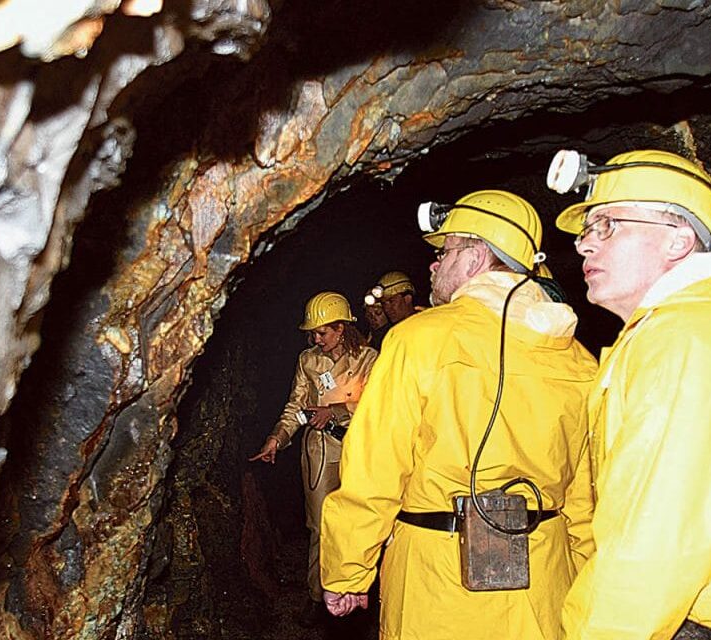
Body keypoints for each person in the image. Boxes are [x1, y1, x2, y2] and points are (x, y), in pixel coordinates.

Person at [547, 149, 711, 640]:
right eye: (587, 230)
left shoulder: (696, 334)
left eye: (608, 225)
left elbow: (655, 539)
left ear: (679, 240)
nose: (584, 245)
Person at [319, 190, 598, 639]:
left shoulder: (419, 339)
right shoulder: (578, 359)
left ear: (476, 259)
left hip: (439, 581)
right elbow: (585, 499)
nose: (433, 264)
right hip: (544, 585)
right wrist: (588, 582)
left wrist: (347, 570)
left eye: (445, 252)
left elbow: (376, 467)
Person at [250, 291, 379, 627]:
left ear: (340, 328)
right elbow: (295, 407)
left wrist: (337, 410)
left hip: (358, 449)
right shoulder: (309, 361)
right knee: (320, 526)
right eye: (313, 333)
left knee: (360, 521)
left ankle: (362, 593)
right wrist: (276, 438)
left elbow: (380, 405)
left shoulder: (369, 358)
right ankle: (317, 596)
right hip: (319, 450)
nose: (315, 338)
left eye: (322, 332)